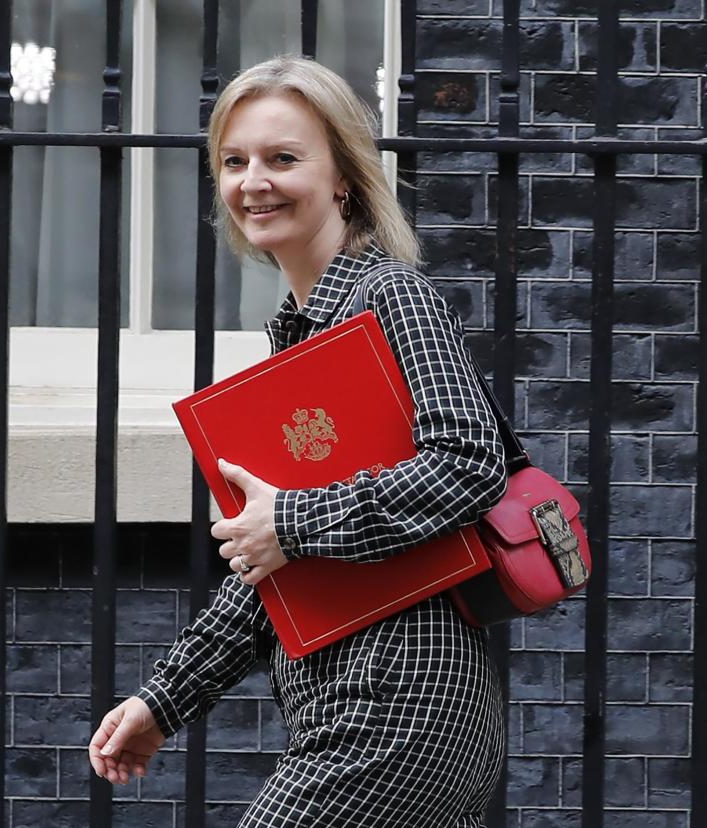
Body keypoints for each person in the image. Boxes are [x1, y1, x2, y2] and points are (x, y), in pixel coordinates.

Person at [87, 55, 509, 827]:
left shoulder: (390, 296)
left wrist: (292, 521)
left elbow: (467, 463)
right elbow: (271, 565)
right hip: (352, 699)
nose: (255, 181)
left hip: (399, 700)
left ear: (344, 174)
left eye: (284, 158)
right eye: (235, 161)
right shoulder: (300, 333)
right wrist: (163, 699)